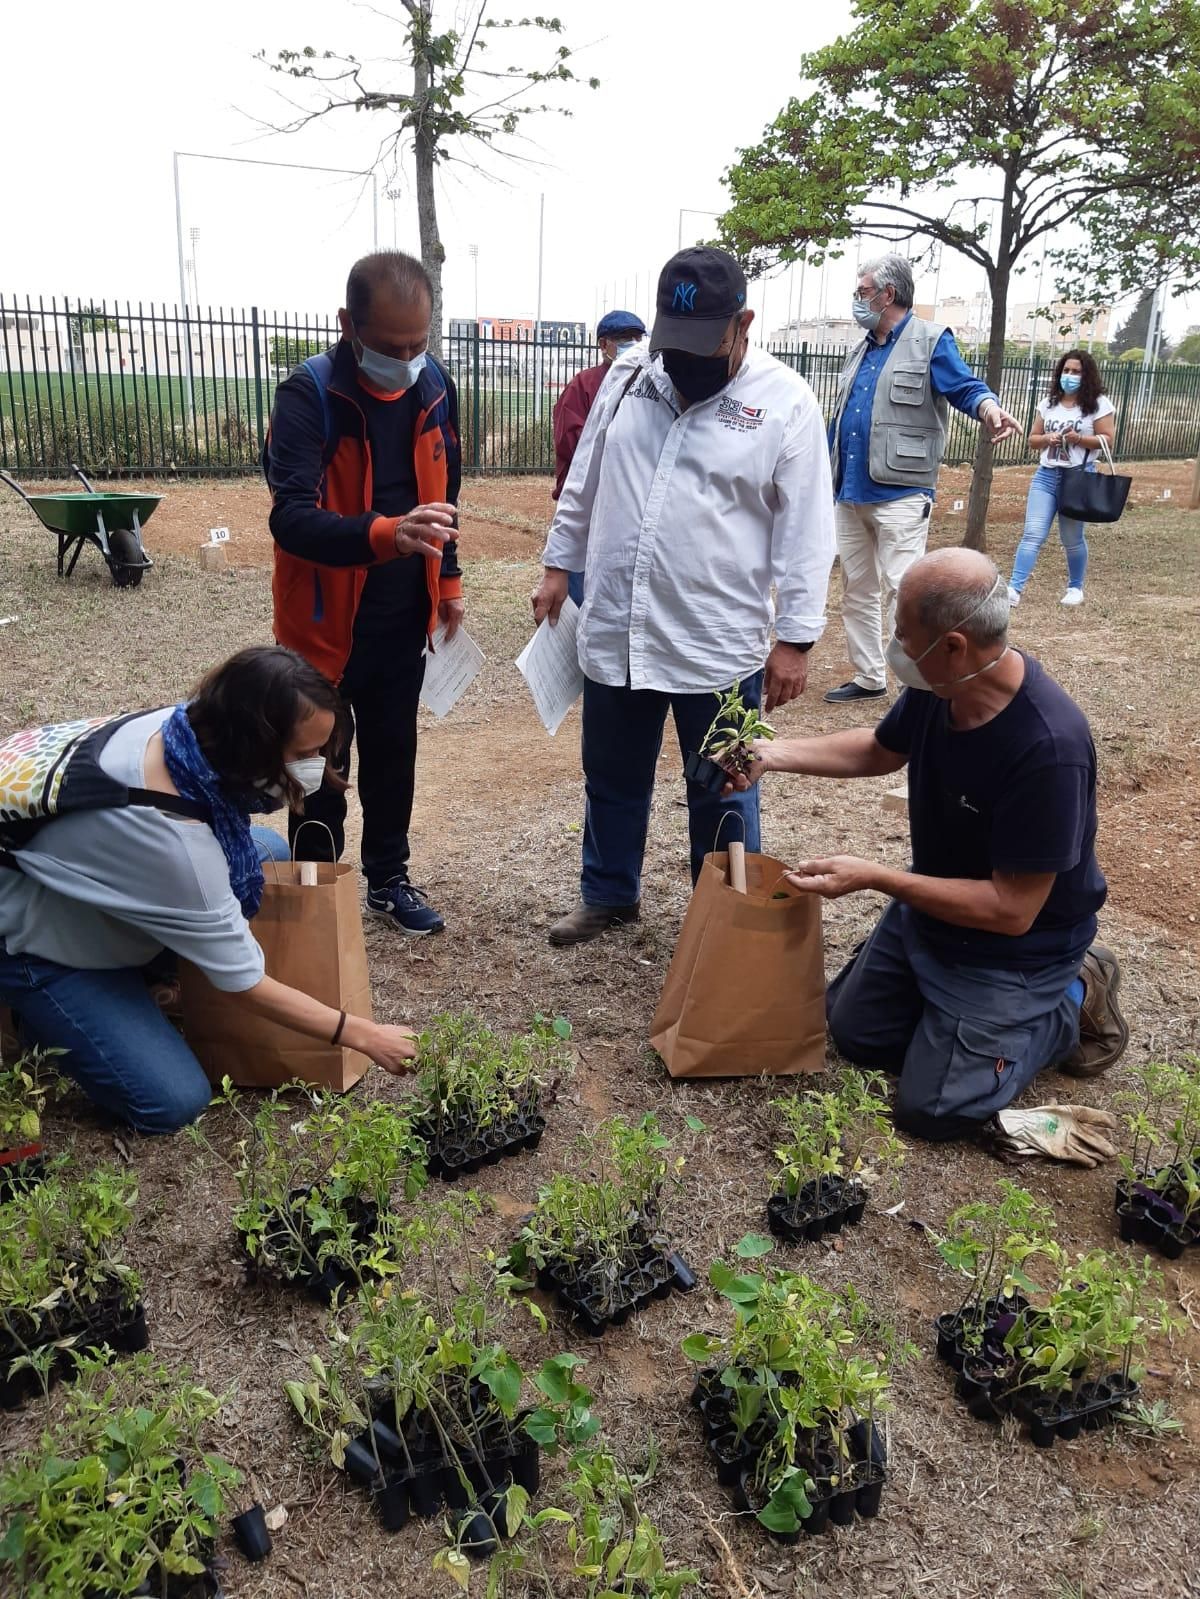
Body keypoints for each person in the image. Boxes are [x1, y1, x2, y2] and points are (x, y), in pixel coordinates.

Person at [726, 548, 1127, 1156]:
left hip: (1018, 947)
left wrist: (876, 877)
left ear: (954, 644)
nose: (895, 644)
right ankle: (957, 1015)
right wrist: (772, 754)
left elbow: (1012, 910)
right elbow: (880, 750)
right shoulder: (941, 686)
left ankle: (1071, 996)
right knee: (855, 1035)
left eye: (904, 633)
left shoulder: (1047, 747)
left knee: (934, 1108)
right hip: (939, 916)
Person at [532, 246, 835, 947]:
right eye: (676, 345)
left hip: (716, 644)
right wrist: (557, 564)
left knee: (724, 781)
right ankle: (608, 894)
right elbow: (585, 476)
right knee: (610, 774)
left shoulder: (784, 401)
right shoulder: (631, 373)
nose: (685, 364)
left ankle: (727, 912)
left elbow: (807, 528)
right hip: (620, 629)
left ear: (744, 324)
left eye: (704, 347)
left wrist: (795, 639)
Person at [0, 648, 421, 1135]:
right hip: (32, 938)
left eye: (320, 750)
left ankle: (144, 969)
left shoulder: (186, 729)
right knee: (172, 1099)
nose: (315, 765)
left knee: (262, 851)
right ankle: (37, 1015)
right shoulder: (176, 846)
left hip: (80, 873)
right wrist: (364, 1035)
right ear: (251, 747)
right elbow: (245, 984)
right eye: (303, 754)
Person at [264, 249, 462, 937]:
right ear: (347, 323)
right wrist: (385, 533)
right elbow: (290, 518)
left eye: (419, 343)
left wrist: (452, 580)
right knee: (319, 761)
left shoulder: (435, 385)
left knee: (393, 753)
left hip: (402, 614)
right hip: (321, 624)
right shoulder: (309, 395)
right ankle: (314, 886)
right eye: (389, 346)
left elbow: (447, 495)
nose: (407, 359)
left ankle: (389, 878)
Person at [824, 254, 1021, 705]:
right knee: (856, 589)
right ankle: (870, 677)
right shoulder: (861, 350)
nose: (858, 300)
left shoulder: (931, 341)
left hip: (901, 492)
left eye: (863, 291)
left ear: (887, 294)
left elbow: (964, 386)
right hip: (850, 489)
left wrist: (989, 408)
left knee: (904, 590)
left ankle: (914, 685)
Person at [553, 309, 647, 605]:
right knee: (580, 576)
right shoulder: (584, 385)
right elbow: (572, 442)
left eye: (636, 337)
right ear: (603, 344)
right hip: (589, 500)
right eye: (622, 339)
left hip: (630, 503)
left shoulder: (648, 384)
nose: (631, 343)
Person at [1008, 350, 1115, 607]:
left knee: (1072, 537)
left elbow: (1108, 440)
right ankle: (1014, 588)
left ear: (1086, 375)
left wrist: (1079, 439)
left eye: (1076, 372)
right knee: (1033, 533)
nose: (1070, 376)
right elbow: (1033, 439)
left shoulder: (1099, 404)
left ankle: (1075, 587)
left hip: (1078, 478)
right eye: (1066, 371)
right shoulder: (1049, 403)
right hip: (1046, 476)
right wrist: (1047, 439)